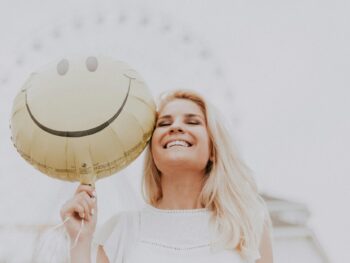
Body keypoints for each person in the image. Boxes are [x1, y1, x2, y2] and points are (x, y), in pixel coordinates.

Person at [60, 89, 273, 263]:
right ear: (152, 151)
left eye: (192, 122)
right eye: (164, 123)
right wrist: (79, 241)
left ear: (214, 151)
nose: (176, 127)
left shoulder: (248, 225)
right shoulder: (121, 231)